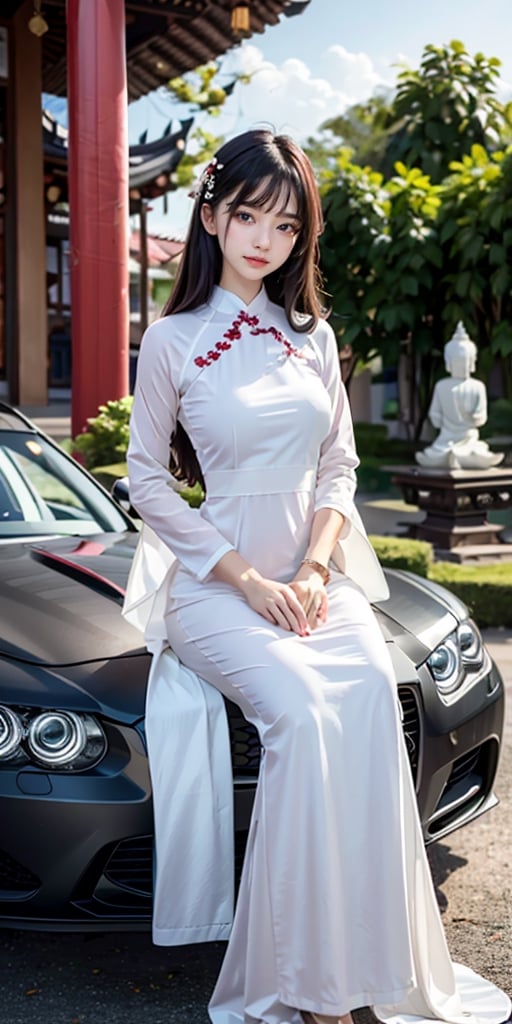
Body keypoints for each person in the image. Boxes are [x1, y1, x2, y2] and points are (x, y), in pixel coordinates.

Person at [124, 129, 510, 1024]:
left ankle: (369, 966)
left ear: (303, 240)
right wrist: (249, 580)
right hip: (216, 587)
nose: (264, 237)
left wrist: (308, 567)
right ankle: (305, 987)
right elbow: (147, 479)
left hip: (312, 579)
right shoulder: (173, 341)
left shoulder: (315, 336)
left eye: (287, 225)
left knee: (372, 698)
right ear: (213, 215)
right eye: (249, 214)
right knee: (298, 715)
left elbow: (338, 467)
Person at [415, 322, 503, 470]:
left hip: (469, 440)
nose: (461, 366)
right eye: (457, 362)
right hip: (445, 440)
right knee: (437, 453)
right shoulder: (441, 386)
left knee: (477, 451)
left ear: (471, 363)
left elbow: (481, 417)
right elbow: (434, 415)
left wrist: (474, 417)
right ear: (448, 363)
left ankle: (459, 456)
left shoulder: (477, 386)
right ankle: (452, 455)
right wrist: (439, 418)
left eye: (464, 362)